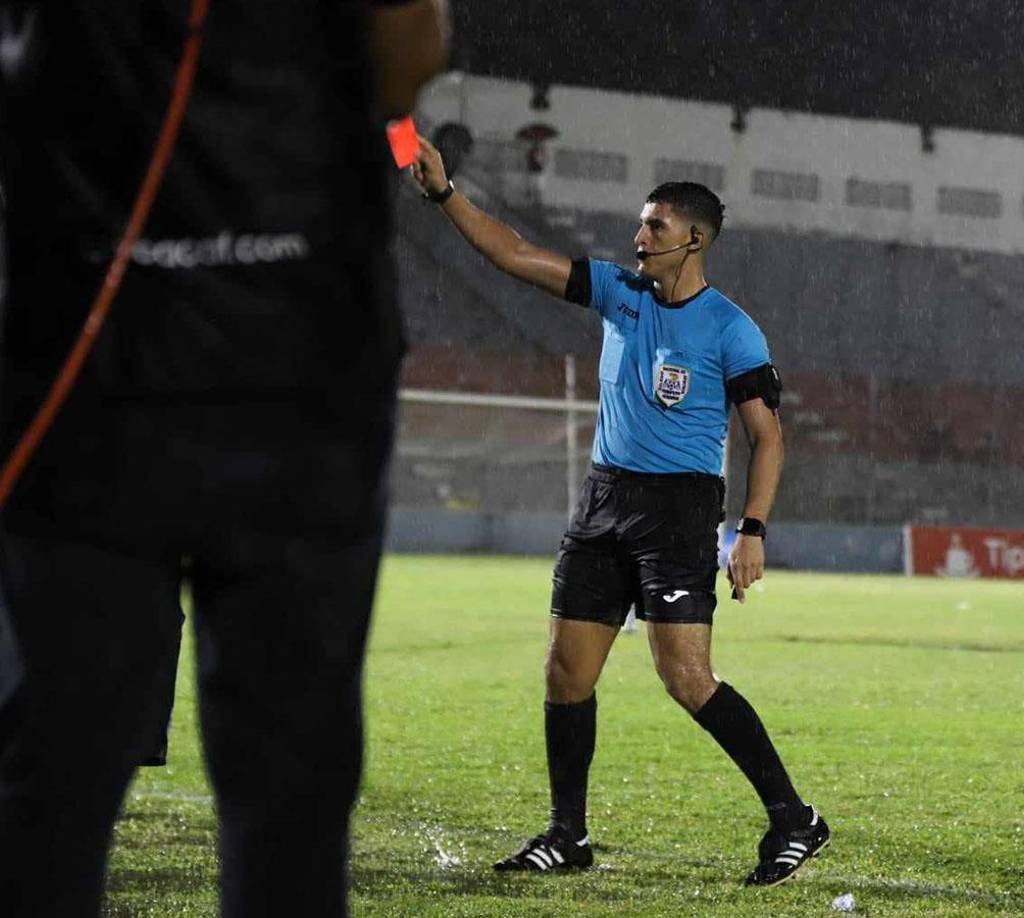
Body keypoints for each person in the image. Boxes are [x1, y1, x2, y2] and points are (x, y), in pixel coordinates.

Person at [0, 3, 447, 916]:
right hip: (286, 372)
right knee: (288, 804)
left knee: (48, 788)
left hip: (96, 374)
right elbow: (407, 64)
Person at [408, 140, 830, 887]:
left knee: (687, 679)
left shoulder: (731, 328)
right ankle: (566, 834)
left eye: (655, 226)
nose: (639, 237)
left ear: (693, 240)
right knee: (566, 671)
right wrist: (446, 194)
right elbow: (512, 253)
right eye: (641, 223)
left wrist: (753, 530)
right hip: (603, 500)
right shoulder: (618, 292)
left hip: (679, 512)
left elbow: (767, 438)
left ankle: (794, 818)